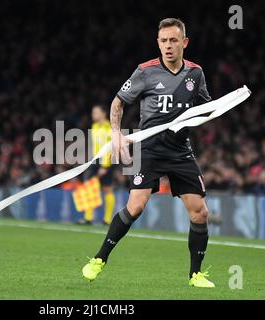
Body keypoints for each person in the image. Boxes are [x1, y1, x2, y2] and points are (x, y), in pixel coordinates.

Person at [82, 18, 215, 288]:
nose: (168, 45)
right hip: (149, 149)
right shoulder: (145, 72)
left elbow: (206, 107)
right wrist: (116, 133)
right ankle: (99, 259)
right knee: (136, 206)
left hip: (180, 150)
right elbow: (118, 101)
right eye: (163, 40)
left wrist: (222, 106)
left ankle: (195, 275)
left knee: (200, 212)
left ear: (184, 43)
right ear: (158, 43)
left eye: (173, 40)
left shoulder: (196, 74)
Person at [78, 105, 116, 225]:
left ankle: (107, 219)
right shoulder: (94, 127)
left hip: (107, 160)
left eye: (96, 112)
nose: (93, 115)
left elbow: (111, 148)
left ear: (103, 114)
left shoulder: (109, 127)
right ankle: (88, 218)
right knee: (90, 188)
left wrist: (105, 166)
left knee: (107, 189)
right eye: (93, 113)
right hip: (96, 160)